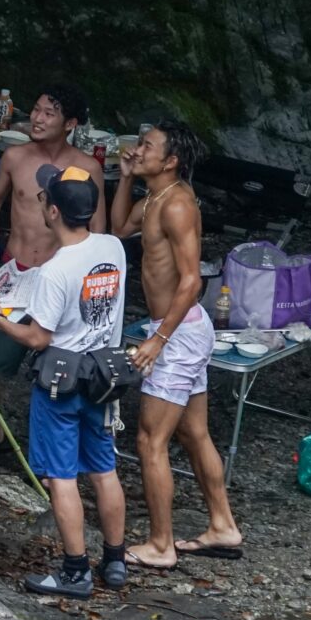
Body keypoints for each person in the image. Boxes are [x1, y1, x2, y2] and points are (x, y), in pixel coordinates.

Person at [0, 166, 130, 597]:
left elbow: (37, 338)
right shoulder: (113, 247)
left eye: (45, 198)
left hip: (61, 380)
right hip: (104, 375)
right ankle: (115, 561)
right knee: (104, 470)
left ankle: (76, 571)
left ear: (53, 212)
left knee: (62, 477)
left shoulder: (55, 270)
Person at [109, 120, 243, 570]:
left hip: (177, 333)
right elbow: (118, 228)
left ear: (171, 161)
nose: (137, 149)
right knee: (193, 432)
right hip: (180, 328)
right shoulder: (153, 198)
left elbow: (191, 281)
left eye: (147, 146)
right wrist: (125, 177)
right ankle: (223, 526)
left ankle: (161, 545)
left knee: (150, 440)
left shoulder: (178, 205)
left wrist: (158, 340)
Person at [0, 82, 107, 467]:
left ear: (70, 123)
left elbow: (99, 231)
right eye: (36, 110)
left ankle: (56, 454)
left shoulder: (88, 168)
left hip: (59, 279)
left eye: (48, 113)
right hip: (15, 271)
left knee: (60, 370)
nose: (37, 119)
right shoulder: (15, 156)